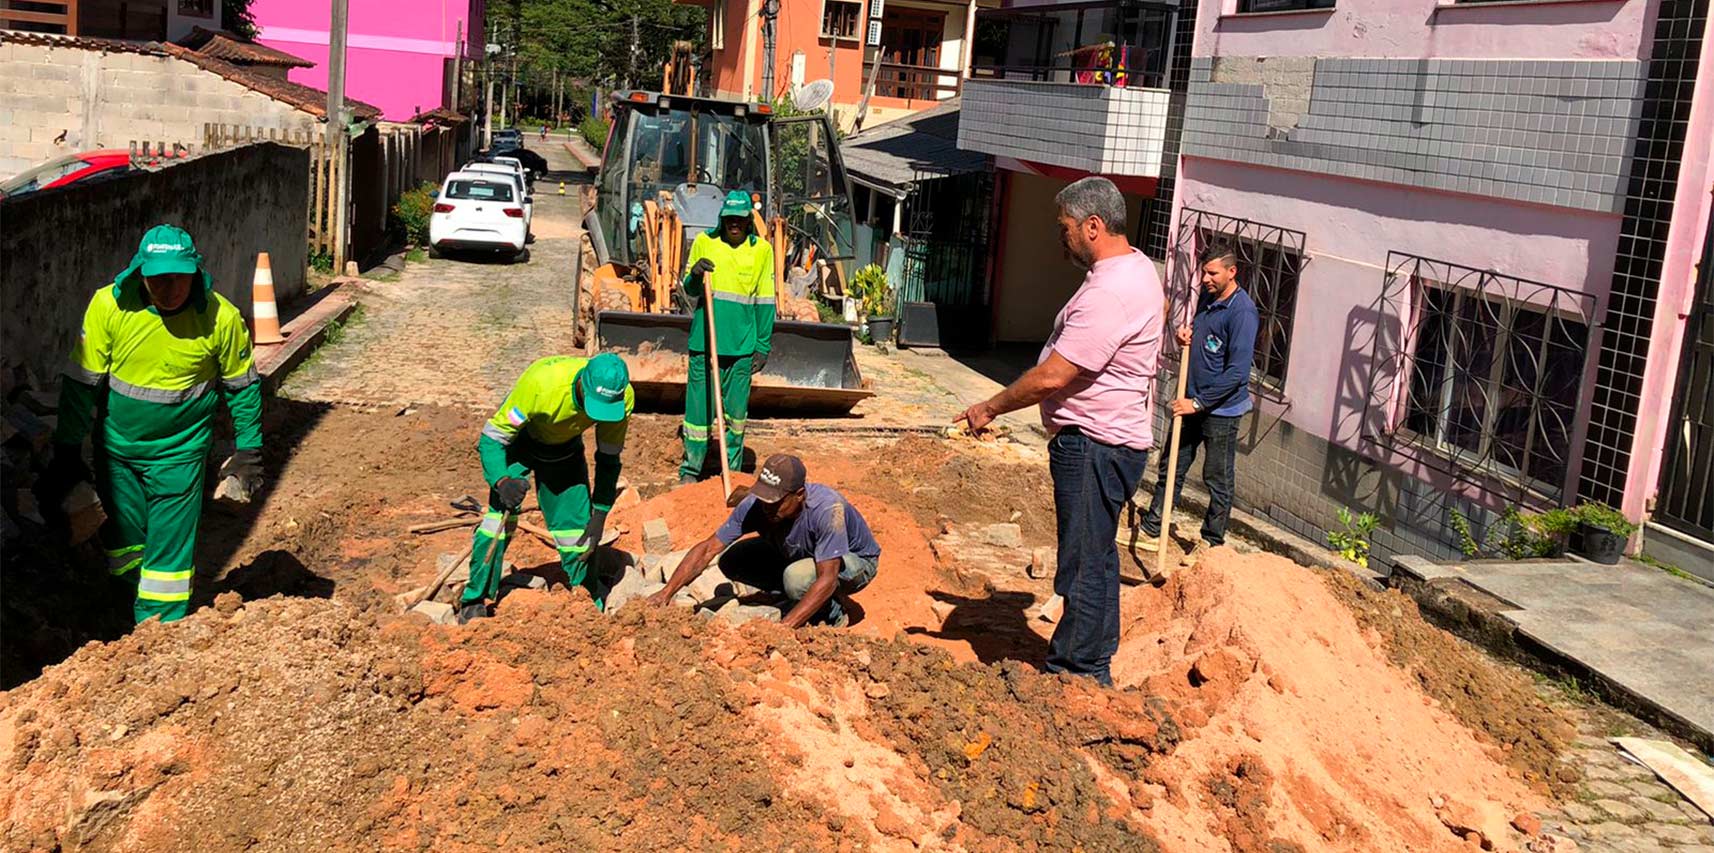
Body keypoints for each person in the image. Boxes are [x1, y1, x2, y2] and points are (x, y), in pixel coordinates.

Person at [954, 177, 1164, 686]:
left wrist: (990, 407)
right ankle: (1090, 659)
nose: (1061, 237)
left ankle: (1079, 670)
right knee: (1093, 554)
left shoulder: (1112, 291)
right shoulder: (1134, 269)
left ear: (1093, 226)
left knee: (1085, 560)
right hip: (1108, 439)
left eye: (1065, 228)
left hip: (1095, 443)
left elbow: (1054, 375)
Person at [48, 224, 264, 624]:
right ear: (140, 275)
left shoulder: (221, 318)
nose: (170, 287)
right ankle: (125, 612)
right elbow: (81, 384)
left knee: (167, 565)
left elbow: (243, 388)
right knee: (126, 548)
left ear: (195, 273)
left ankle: (159, 636)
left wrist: (247, 450)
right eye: (159, 278)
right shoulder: (108, 308)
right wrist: (66, 451)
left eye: (179, 277)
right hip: (117, 455)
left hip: (179, 457)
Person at [463, 353, 633, 622]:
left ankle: (587, 604)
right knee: (496, 524)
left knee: (578, 535)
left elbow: (609, 459)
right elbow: (492, 438)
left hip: (563, 453)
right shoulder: (541, 385)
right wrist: (502, 481)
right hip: (520, 441)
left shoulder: (621, 399)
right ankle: (474, 601)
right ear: (582, 384)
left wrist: (600, 512)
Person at [644, 454, 879, 628]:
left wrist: (783, 629)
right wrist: (666, 593)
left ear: (799, 495)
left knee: (797, 579)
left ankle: (835, 614)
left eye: (776, 502)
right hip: (802, 554)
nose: (767, 507)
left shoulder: (827, 509)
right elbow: (708, 549)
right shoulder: (757, 504)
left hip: (855, 562)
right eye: (764, 498)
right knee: (733, 560)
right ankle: (793, 597)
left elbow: (827, 577)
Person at [1134, 241, 1258, 566]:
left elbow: (1237, 374)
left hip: (1220, 411)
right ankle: (1153, 523)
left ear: (1232, 272)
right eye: (1204, 272)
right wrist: (1184, 336)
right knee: (1171, 465)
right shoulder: (1207, 298)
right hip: (1190, 401)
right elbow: (1202, 340)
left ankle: (1211, 542)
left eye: (1212, 273)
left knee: (1217, 478)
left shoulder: (1242, 313)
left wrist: (1198, 403)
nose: (1205, 278)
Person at [678, 190, 775, 484]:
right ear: (722, 219)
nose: (735, 224)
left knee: (735, 416)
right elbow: (689, 290)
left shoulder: (762, 251)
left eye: (740, 219)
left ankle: (730, 472)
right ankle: (691, 469)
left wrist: (762, 345)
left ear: (748, 221)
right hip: (704, 344)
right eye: (729, 219)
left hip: (742, 347)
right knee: (697, 415)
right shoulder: (705, 243)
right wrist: (694, 274)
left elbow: (766, 301)